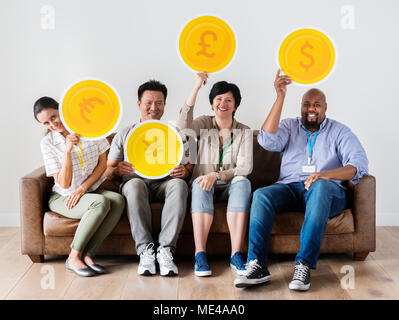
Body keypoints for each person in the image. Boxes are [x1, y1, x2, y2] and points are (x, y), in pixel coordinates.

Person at [234, 70, 369, 291]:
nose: (311, 109)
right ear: (301, 107)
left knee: (320, 186)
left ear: (325, 108)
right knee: (261, 195)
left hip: (326, 192)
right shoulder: (289, 126)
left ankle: (303, 264)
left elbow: (359, 166)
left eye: (317, 104)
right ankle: (257, 264)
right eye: (307, 104)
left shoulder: (340, 132)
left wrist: (325, 175)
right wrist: (280, 97)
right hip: (291, 188)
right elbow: (266, 140)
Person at [105, 80, 192, 277]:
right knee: (135, 184)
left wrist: (185, 172)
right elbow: (108, 172)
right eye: (148, 103)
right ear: (139, 104)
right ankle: (145, 251)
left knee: (179, 185)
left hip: (165, 183)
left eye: (159, 103)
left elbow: (189, 165)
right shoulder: (125, 132)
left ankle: (166, 250)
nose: (154, 108)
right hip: (134, 182)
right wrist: (117, 169)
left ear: (164, 105)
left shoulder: (174, 132)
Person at [34, 96, 125, 277]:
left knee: (118, 200)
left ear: (62, 111)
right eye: (46, 123)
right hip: (63, 196)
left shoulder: (90, 128)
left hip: (86, 191)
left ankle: (88, 255)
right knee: (99, 203)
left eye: (53, 117)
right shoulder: (48, 143)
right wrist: (67, 150)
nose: (52, 125)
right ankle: (73, 257)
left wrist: (83, 188)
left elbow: (103, 163)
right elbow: (64, 183)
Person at [177, 72, 253, 277]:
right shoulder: (203, 123)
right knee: (200, 182)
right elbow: (183, 129)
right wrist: (195, 87)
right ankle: (199, 254)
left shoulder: (244, 131)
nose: (223, 103)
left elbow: (244, 167)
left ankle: (236, 254)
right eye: (218, 99)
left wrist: (217, 175)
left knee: (243, 182)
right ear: (212, 103)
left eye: (229, 99)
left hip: (230, 186)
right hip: (203, 185)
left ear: (235, 105)